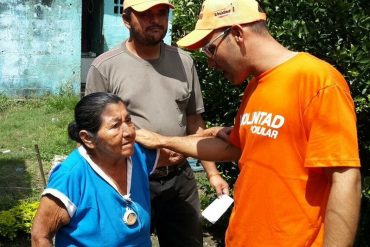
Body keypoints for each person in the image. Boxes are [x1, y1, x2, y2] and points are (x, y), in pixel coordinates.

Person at [136, 0, 362, 246]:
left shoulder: (318, 80)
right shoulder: (255, 86)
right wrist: (163, 141)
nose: (211, 63)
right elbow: (235, 148)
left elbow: (345, 178)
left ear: (236, 33)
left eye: (210, 49)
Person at [84, 0, 229, 246]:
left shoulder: (184, 62)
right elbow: (96, 133)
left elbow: (195, 121)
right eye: (146, 14)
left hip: (180, 180)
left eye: (161, 13)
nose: (156, 20)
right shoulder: (105, 67)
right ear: (126, 19)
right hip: (129, 179)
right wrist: (149, 156)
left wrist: (213, 173)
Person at [31, 92, 161, 246]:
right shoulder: (71, 175)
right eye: (115, 126)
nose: (129, 132)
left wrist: (161, 140)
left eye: (128, 120)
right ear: (88, 138)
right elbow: (40, 237)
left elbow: (178, 154)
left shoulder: (138, 155)